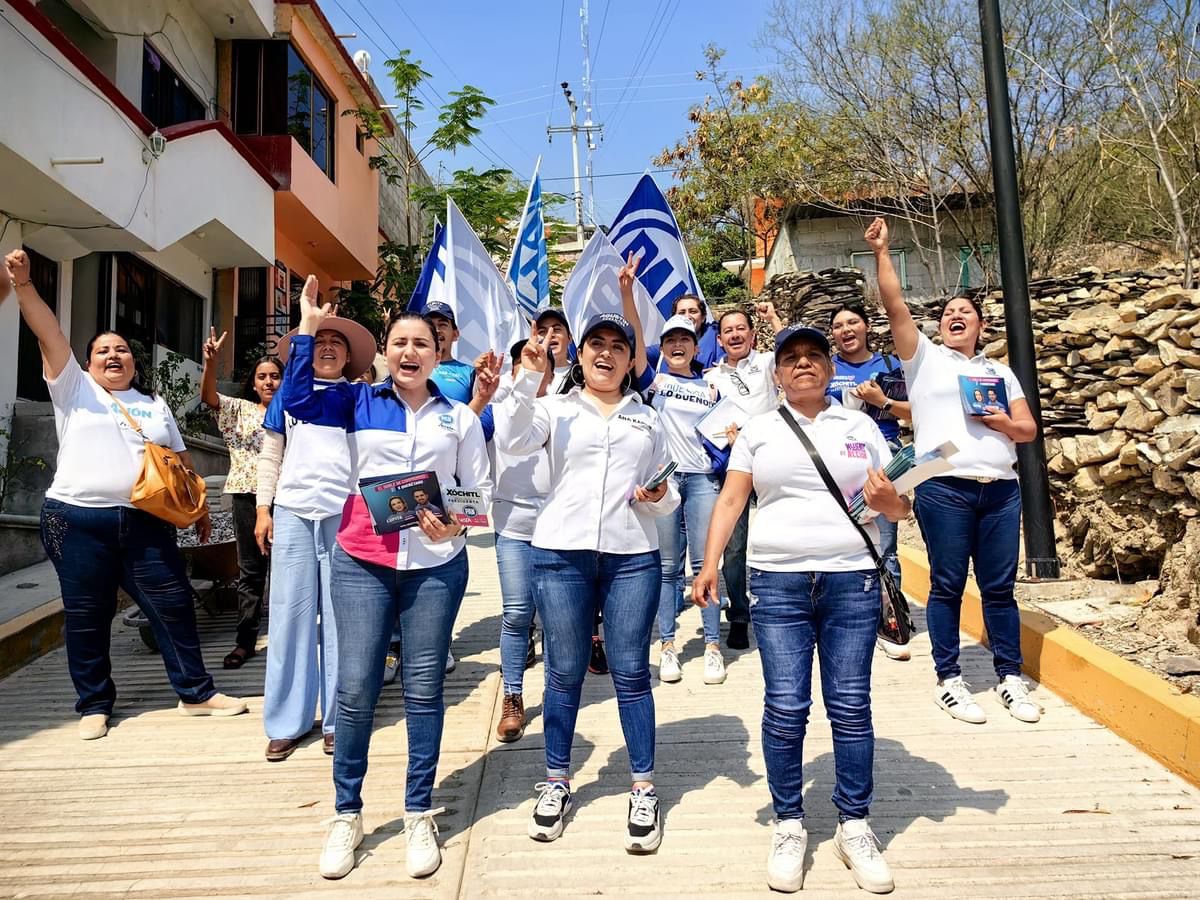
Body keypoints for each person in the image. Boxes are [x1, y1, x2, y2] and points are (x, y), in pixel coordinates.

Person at [281, 278, 492, 881]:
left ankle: (418, 810)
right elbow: (296, 401)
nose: (408, 351)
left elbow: (474, 496)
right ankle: (347, 812)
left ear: (436, 353)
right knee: (354, 689)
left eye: (420, 343)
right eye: (398, 341)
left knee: (424, 690)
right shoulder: (354, 401)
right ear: (384, 352)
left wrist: (452, 526)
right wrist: (304, 329)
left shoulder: (459, 420)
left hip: (434, 570)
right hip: (360, 562)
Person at [693, 323, 908, 894]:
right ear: (778, 373)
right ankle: (789, 821)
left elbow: (897, 500)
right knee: (787, 706)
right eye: (792, 358)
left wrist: (894, 504)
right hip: (778, 582)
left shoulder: (859, 425)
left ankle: (853, 824)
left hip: (850, 581)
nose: (805, 364)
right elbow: (733, 497)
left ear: (831, 369)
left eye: (816, 355)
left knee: (850, 704)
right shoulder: (758, 431)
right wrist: (711, 562)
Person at [3, 249, 247, 741]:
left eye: (123, 351)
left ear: (135, 361)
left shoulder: (155, 405)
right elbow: (48, 332)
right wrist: (26, 286)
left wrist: (198, 510)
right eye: (103, 352)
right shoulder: (73, 389)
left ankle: (196, 693)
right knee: (87, 614)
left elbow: (180, 465)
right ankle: (94, 703)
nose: (114, 356)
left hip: (145, 522)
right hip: (76, 521)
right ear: (87, 363)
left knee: (173, 603)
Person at [494, 311, 678, 853]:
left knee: (630, 672)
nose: (605, 353)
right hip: (560, 554)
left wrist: (656, 497)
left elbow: (668, 493)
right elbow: (512, 440)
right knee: (563, 671)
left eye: (617, 346)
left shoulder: (647, 419)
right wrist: (527, 378)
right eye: (595, 343)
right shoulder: (555, 409)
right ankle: (556, 780)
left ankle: (643, 786)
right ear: (579, 354)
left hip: (631, 557)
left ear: (629, 359)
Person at [866, 217, 1042, 726]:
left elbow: (1028, 430)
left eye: (965, 312)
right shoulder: (924, 359)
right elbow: (896, 307)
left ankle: (1010, 675)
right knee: (946, 584)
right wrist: (882, 252)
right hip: (945, 487)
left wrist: (1005, 422)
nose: (955, 316)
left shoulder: (999, 372)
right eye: (947, 312)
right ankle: (950, 679)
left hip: (1001, 491)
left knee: (999, 588)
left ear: (981, 326)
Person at [256, 314, 375, 762]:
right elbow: (272, 454)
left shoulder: (360, 396)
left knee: (341, 618)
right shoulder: (288, 395)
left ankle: (338, 718)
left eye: (335, 343)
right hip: (292, 512)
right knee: (289, 616)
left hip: (343, 513)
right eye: (318, 340)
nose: (327, 347)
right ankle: (287, 721)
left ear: (349, 357)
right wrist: (264, 508)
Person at [617, 257, 729, 686]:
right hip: (664, 482)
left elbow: (725, 433)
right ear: (661, 349)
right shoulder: (654, 382)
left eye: (685, 338)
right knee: (666, 568)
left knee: (705, 563)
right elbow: (635, 333)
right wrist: (628, 292)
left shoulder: (713, 387)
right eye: (670, 341)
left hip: (701, 480)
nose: (678, 344)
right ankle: (667, 645)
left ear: (697, 346)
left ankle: (713, 645)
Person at [478, 339, 557, 743]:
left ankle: (557, 696)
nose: (534, 369)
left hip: (558, 527)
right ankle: (512, 695)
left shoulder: (562, 406)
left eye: (542, 364)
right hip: (512, 525)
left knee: (556, 619)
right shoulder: (498, 408)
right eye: (526, 363)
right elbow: (475, 434)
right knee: (516, 613)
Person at [827, 302, 913, 661]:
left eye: (852, 322)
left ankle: (890, 619)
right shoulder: (827, 368)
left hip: (885, 458)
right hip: (838, 459)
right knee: (845, 539)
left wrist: (883, 401)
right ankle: (850, 613)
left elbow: (917, 411)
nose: (845, 330)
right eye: (838, 325)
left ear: (866, 327)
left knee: (886, 544)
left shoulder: (890, 365)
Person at [703, 302, 785, 650]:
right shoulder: (711, 377)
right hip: (731, 466)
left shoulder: (767, 363)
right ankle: (738, 613)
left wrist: (774, 318)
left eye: (741, 329)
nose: (735, 335)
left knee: (779, 537)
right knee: (734, 548)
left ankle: (780, 606)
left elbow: (791, 348)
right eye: (728, 331)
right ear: (720, 340)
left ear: (752, 334)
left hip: (771, 461)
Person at [199, 328, 282, 669]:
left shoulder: (297, 412)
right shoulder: (240, 410)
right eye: (262, 377)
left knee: (288, 573)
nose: (269, 383)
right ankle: (245, 642)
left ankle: (285, 641)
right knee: (251, 572)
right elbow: (209, 398)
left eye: (276, 376)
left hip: (288, 498)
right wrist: (211, 363)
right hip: (247, 498)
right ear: (253, 382)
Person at [644, 293, 724, 372]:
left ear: (703, 317)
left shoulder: (717, 336)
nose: (687, 317)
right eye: (682, 313)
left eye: (693, 311)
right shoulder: (661, 351)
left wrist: (724, 371)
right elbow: (637, 355)